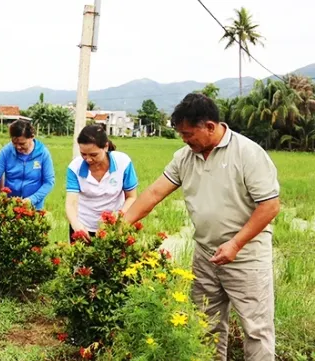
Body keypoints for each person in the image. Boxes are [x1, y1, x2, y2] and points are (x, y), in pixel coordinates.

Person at [123, 93, 280, 361]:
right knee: (206, 325)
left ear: (209, 126)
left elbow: (270, 206)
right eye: (181, 134)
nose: (184, 139)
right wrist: (120, 226)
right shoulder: (185, 157)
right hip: (206, 255)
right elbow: (153, 194)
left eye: (188, 133)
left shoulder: (248, 153)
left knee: (256, 329)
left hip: (246, 257)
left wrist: (236, 244)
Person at [66, 125, 138, 239]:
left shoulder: (123, 163)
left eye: (93, 155)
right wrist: (76, 225)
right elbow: (71, 203)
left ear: (105, 147)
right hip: (84, 226)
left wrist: (117, 219)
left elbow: (131, 197)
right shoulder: (75, 168)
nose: (88, 159)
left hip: (114, 227)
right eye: (83, 154)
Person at [0, 119, 55, 210]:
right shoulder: (6, 152)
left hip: (34, 207)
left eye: (22, 143)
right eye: (14, 143)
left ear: (32, 137)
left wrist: (32, 199)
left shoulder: (43, 154)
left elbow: (49, 182)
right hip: (11, 205)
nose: (18, 147)